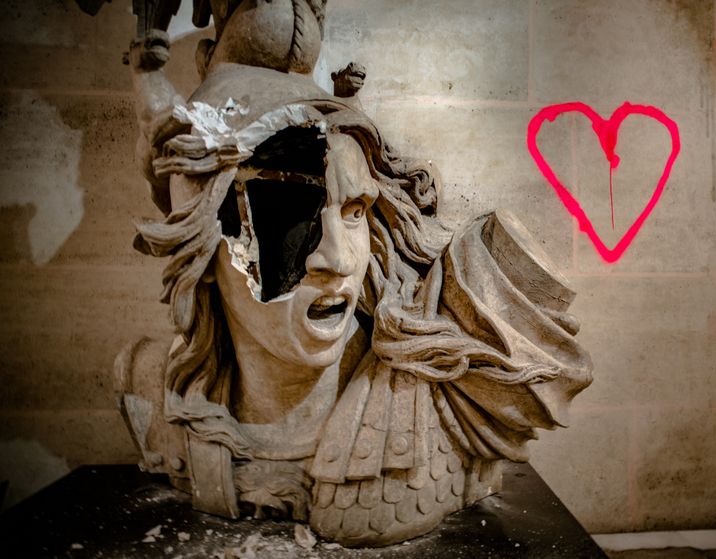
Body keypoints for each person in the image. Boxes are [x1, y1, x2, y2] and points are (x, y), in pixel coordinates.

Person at [116, 1, 592, 546]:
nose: (339, 260)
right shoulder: (147, 389)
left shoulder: (449, 397)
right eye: (288, 214)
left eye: (355, 211)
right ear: (202, 245)